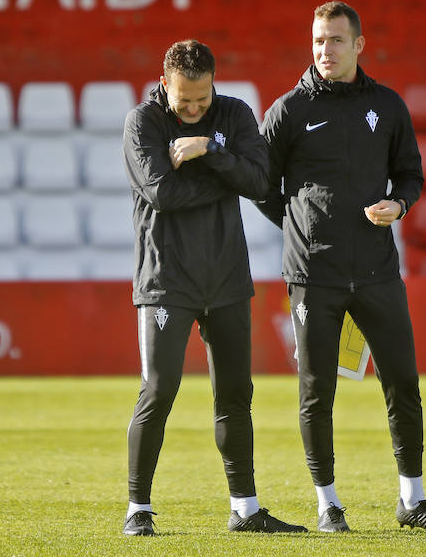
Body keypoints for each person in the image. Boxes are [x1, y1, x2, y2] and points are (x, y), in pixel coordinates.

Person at [256, 1, 426, 533]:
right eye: (319, 40)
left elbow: (411, 175)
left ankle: (413, 502)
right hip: (313, 276)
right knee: (315, 390)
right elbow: (260, 184)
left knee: (403, 382)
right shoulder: (287, 110)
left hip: (376, 272)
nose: (326, 50)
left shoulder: (388, 107)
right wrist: (297, 224)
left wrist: (399, 204)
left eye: (336, 41)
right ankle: (328, 504)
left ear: (359, 45)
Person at [121, 39, 307, 536]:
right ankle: (138, 509)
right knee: (159, 390)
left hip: (226, 277)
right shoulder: (143, 123)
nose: (194, 108)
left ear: (213, 85)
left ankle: (244, 509)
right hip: (166, 280)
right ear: (166, 84)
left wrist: (210, 148)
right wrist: (228, 179)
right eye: (184, 99)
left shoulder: (234, 114)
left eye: (202, 99)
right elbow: (162, 192)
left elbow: (262, 179)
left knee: (235, 394)